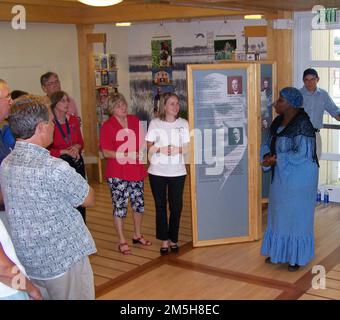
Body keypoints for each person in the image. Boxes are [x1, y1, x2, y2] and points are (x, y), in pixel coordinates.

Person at [0, 96, 96, 299]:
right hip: (63, 260)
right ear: (42, 127)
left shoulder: (6, 163)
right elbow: (88, 198)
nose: (54, 126)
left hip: (30, 262)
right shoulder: (54, 167)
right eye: (51, 122)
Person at [261, 87, 319, 272]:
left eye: (281, 100)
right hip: (281, 176)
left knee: (296, 216)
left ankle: (295, 257)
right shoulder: (277, 121)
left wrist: (277, 159)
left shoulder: (303, 124)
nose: (276, 103)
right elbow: (267, 143)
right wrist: (267, 157)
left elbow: (303, 154)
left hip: (300, 177)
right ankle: (278, 252)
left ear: (292, 104)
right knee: (278, 213)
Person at [0, 80, 42, 300]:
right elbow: (4, 268)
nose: (10, 102)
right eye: (6, 98)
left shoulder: (3, 132)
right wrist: (29, 289)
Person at [100, 93, 150, 255]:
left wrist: (143, 161)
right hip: (118, 173)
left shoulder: (134, 120)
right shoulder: (107, 126)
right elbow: (106, 152)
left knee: (139, 205)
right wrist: (127, 155)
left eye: (123, 104)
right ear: (111, 109)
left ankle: (137, 234)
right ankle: (121, 239)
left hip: (135, 170)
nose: (123, 107)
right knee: (120, 207)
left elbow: (143, 144)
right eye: (118, 106)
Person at [146, 93, 190, 255]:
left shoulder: (184, 124)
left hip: (178, 172)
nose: (176, 107)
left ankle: (174, 238)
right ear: (164, 106)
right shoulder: (155, 124)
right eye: (172, 104)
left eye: (177, 103)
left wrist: (176, 150)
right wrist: (160, 149)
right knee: (160, 206)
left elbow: (187, 147)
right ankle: (164, 240)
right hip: (157, 172)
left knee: (176, 207)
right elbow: (149, 148)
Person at [48, 91, 87, 223]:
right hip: (59, 165)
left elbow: (81, 142)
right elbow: (46, 151)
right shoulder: (49, 124)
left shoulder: (74, 120)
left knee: (80, 195)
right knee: (64, 199)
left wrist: (76, 147)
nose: (67, 103)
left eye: (67, 100)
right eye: (63, 101)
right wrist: (64, 151)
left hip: (76, 162)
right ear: (54, 104)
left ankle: (82, 224)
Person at [300, 68, 340, 159]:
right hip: (299, 135)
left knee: (315, 164)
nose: (309, 82)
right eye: (307, 80)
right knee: (299, 165)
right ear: (303, 81)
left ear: (318, 79)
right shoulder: (298, 94)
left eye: (312, 79)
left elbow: (335, 112)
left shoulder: (323, 94)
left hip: (315, 135)